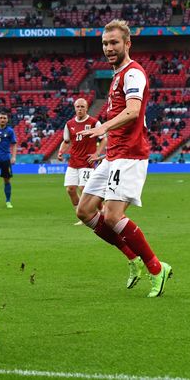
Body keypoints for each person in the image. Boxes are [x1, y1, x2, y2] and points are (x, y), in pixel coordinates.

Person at [77, 19, 172, 297]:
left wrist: (103, 127)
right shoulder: (118, 75)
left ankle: (157, 268)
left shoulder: (133, 73)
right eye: (105, 43)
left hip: (130, 155)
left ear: (127, 44)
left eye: (114, 42)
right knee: (84, 211)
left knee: (112, 215)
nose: (108, 48)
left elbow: (132, 111)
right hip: (113, 155)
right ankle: (131, 257)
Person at [57, 98, 106, 224]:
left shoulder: (94, 123)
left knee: (84, 188)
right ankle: (82, 215)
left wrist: (96, 154)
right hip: (73, 162)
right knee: (70, 189)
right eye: (77, 107)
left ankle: (101, 209)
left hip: (87, 162)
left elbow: (104, 139)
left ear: (86, 108)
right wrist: (61, 152)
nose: (80, 109)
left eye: (82, 107)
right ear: (74, 108)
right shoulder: (69, 124)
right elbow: (66, 141)